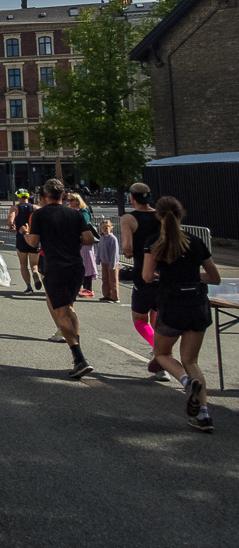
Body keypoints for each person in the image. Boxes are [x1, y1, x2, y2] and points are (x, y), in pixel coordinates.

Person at [143, 197, 221, 433]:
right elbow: (214, 277)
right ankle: (204, 416)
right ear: (181, 214)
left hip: (171, 303)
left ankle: (187, 383)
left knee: (162, 352)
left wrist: (165, 276)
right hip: (197, 304)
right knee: (191, 361)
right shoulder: (196, 241)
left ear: (158, 216)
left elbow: (147, 276)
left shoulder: (154, 242)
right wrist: (195, 277)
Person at [22, 179, 96, 379]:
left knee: (62, 312)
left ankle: (79, 357)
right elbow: (89, 239)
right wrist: (72, 238)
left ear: (44, 196)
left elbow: (34, 242)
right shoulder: (75, 214)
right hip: (75, 266)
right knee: (69, 308)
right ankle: (77, 354)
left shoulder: (39, 214)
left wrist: (26, 234)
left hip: (55, 267)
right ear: (63, 196)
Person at [121, 182, 162, 363]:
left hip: (143, 270)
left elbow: (128, 249)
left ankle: (159, 350)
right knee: (157, 315)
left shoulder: (129, 219)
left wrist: (129, 251)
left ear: (131, 197)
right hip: (164, 272)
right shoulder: (161, 216)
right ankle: (161, 355)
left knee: (140, 318)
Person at [7, 190, 41, 294]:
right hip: (34, 237)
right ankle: (35, 271)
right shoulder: (35, 208)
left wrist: (11, 225)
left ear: (18, 197)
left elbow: (10, 219)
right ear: (28, 196)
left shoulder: (15, 208)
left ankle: (29, 287)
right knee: (34, 263)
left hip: (21, 237)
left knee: (23, 264)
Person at [67, 193, 98, 298]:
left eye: (71, 200)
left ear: (77, 201)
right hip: (74, 241)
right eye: (68, 200)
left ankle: (88, 288)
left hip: (84, 241)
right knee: (77, 265)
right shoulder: (69, 211)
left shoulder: (83, 212)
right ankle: (78, 287)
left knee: (87, 264)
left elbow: (83, 224)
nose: (69, 202)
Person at [97, 219, 120, 303]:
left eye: (107, 227)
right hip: (104, 261)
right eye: (103, 227)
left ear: (111, 228)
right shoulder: (102, 237)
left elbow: (114, 252)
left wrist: (113, 263)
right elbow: (99, 249)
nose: (105, 229)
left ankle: (114, 297)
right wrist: (98, 259)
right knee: (105, 279)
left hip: (111, 262)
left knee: (112, 280)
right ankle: (106, 295)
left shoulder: (112, 238)